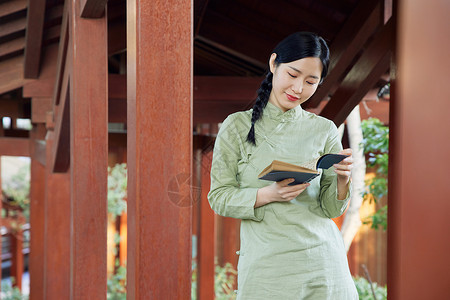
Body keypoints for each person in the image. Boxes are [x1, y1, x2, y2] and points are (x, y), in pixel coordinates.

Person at [208, 32, 358, 299]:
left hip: (324, 264)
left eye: (311, 81)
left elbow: (330, 209)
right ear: (274, 63)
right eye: (293, 74)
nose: (298, 88)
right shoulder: (237, 126)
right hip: (268, 268)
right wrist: (267, 195)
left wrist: (343, 180)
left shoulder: (324, 129)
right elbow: (218, 197)